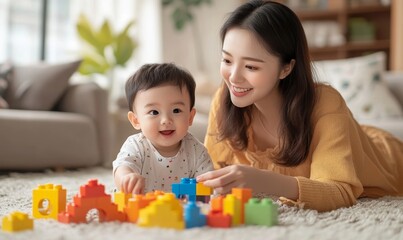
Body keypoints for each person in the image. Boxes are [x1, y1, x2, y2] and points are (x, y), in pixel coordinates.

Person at [196, 0, 403, 212]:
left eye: (251, 66)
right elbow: (208, 178)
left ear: (286, 68)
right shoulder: (223, 100)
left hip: (390, 162)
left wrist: (264, 180)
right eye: (227, 60)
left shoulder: (324, 102)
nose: (234, 77)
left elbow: (340, 191)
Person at [113, 63, 214, 194]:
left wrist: (211, 186)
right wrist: (126, 177)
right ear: (136, 120)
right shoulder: (136, 146)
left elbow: (209, 184)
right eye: (154, 112)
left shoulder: (196, 151)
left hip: (180, 210)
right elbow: (123, 166)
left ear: (190, 117)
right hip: (142, 208)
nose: (166, 120)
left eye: (176, 110)